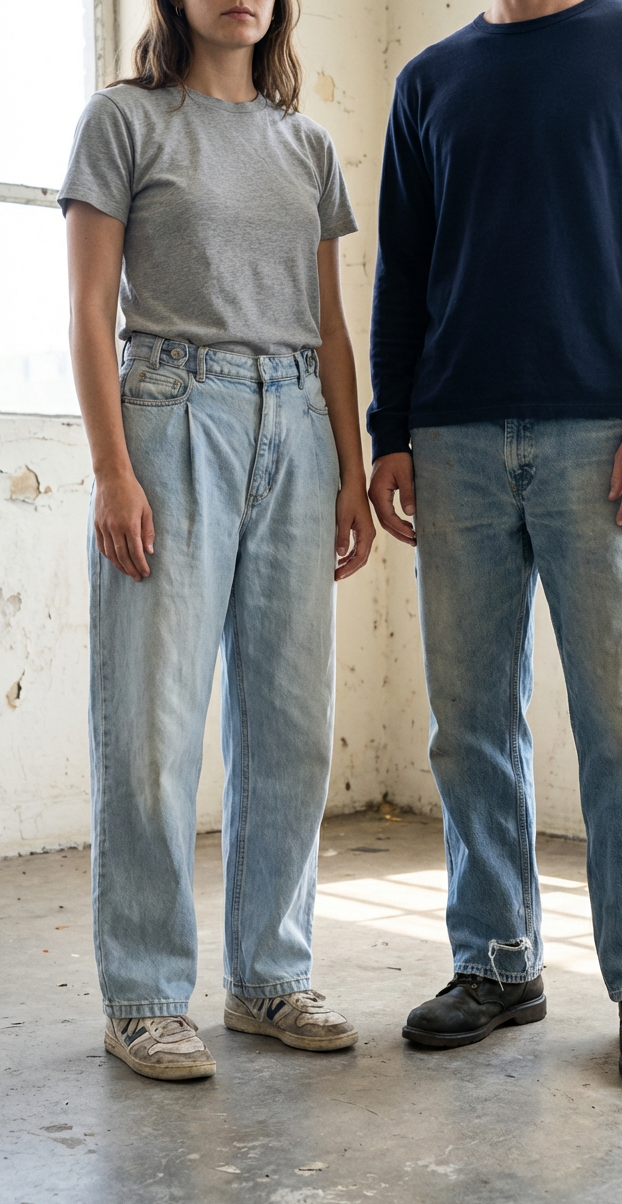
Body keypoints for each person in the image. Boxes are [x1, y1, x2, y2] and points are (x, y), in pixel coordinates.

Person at [367, 0, 622, 1081]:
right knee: (468, 720)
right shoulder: (429, 79)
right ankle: (499, 961)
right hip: (454, 435)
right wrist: (392, 429)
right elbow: (403, 271)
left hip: (602, 433)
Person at [61, 0, 375, 1081]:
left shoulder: (307, 145)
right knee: (153, 720)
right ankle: (145, 994)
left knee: (290, 721)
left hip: (294, 418)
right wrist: (111, 468)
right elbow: (91, 304)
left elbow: (330, 325)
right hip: (171, 411)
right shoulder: (125, 120)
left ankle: (270, 977)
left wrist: (348, 463)